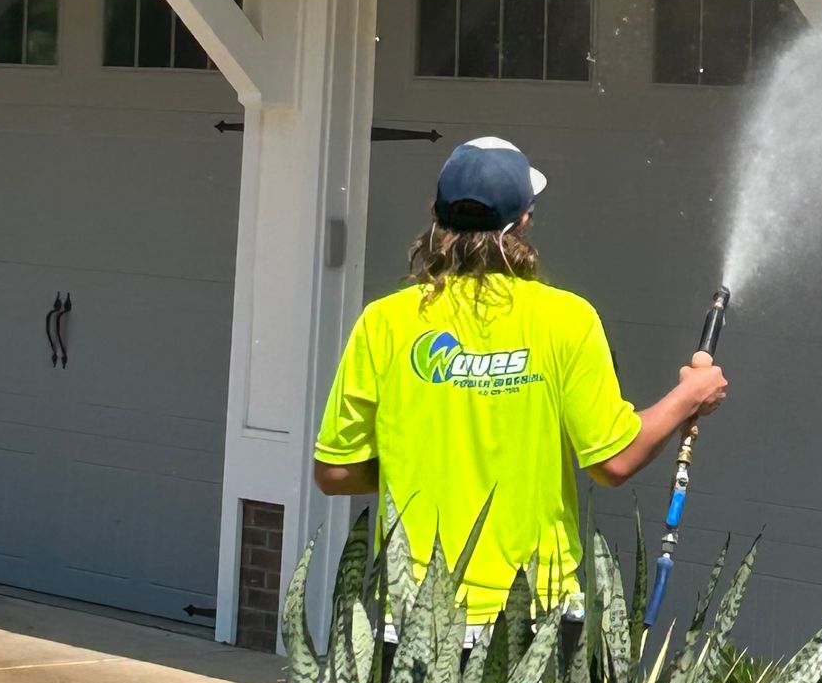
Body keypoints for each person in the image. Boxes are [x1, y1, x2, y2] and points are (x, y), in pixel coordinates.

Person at [312, 135, 728, 620]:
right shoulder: (566, 319)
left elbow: (335, 471)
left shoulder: (383, 322)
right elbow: (614, 461)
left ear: (437, 216)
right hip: (535, 620)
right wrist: (689, 395)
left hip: (409, 617)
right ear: (524, 221)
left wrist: (429, 461)